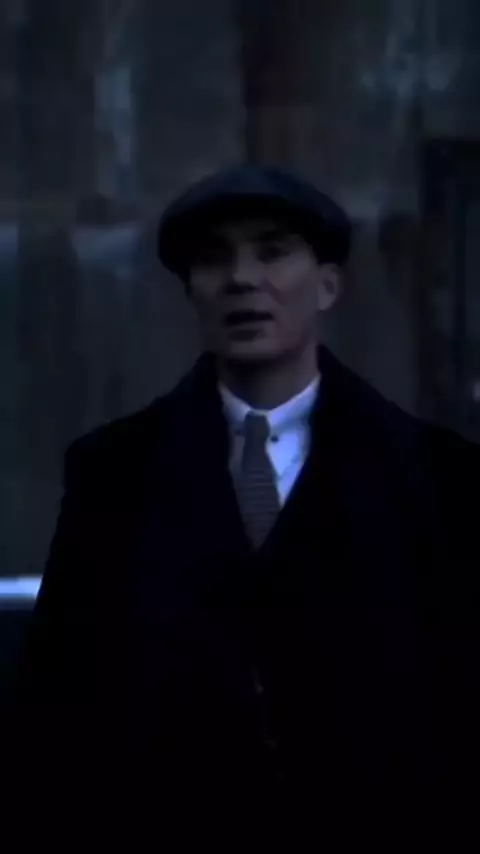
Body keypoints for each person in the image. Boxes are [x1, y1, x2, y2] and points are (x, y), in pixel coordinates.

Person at [10, 166, 480, 851]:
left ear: (327, 285)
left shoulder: (436, 476)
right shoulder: (113, 474)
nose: (241, 279)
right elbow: (59, 702)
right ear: (190, 292)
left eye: (272, 251)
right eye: (213, 259)